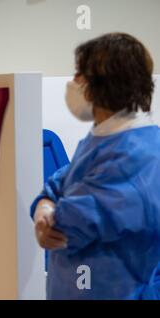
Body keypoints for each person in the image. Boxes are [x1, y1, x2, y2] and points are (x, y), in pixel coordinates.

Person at [31, 33, 160, 300]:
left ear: (104, 83)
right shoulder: (102, 138)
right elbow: (59, 183)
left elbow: (73, 223)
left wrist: (49, 214)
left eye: (80, 74)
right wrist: (44, 203)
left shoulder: (139, 154)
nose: (72, 82)